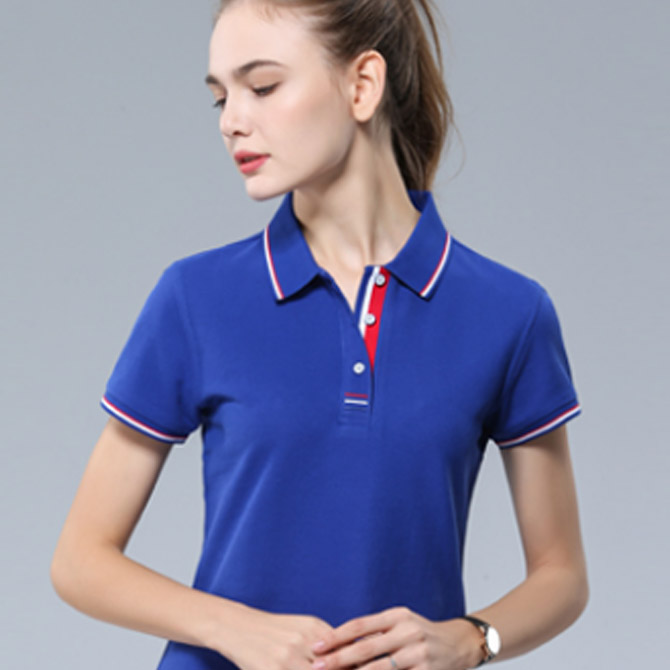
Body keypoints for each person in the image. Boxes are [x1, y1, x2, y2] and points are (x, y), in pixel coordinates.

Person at [50, 1, 589, 669]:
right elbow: (80, 559)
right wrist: (234, 629)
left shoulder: (509, 312)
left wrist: (471, 638)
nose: (231, 120)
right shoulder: (195, 298)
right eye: (220, 97)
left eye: (262, 86)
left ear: (363, 85)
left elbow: (562, 575)